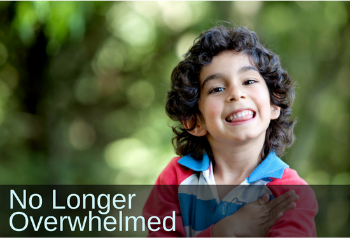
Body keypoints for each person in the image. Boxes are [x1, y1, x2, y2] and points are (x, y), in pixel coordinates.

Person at [143, 25, 317, 237]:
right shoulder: (175, 178)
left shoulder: (292, 193)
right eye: (217, 88)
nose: (236, 93)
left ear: (274, 104)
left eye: (249, 81)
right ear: (195, 121)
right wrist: (221, 232)